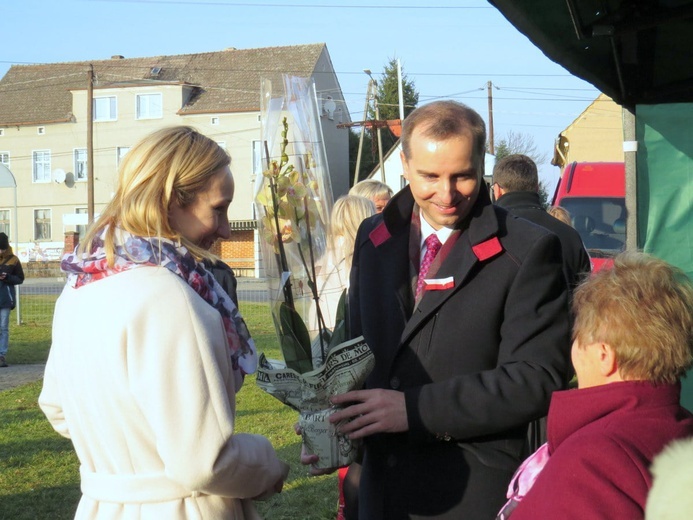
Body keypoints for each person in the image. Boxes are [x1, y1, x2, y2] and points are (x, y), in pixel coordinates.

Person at [308, 100, 572, 519]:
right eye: (429, 177)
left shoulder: (528, 249)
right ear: (405, 166)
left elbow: (535, 379)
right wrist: (338, 428)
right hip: (380, 489)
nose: (446, 194)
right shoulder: (373, 237)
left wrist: (412, 411)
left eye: (463, 176)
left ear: (482, 167)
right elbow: (358, 358)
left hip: (468, 490)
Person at [39, 126, 289, 519]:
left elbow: (57, 406)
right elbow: (205, 462)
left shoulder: (82, 285)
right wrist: (268, 464)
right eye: (218, 209)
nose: (225, 230)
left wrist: (129, 460)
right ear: (170, 201)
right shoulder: (170, 296)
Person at [501, 252, 693, 520]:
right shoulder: (679, 430)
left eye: (579, 340)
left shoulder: (593, 460)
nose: (574, 352)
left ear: (605, 356)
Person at [493, 154, 591, 290]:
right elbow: (584, 296)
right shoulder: (570, 236)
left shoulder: (488, 233)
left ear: (497, 191)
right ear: (537, 188)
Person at [0, 232, 24, 368]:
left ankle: (1, 355)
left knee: (3, 328)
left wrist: (7, 277)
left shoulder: (13, 260)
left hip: (5, 299)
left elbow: (20, 278)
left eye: (2, 248)